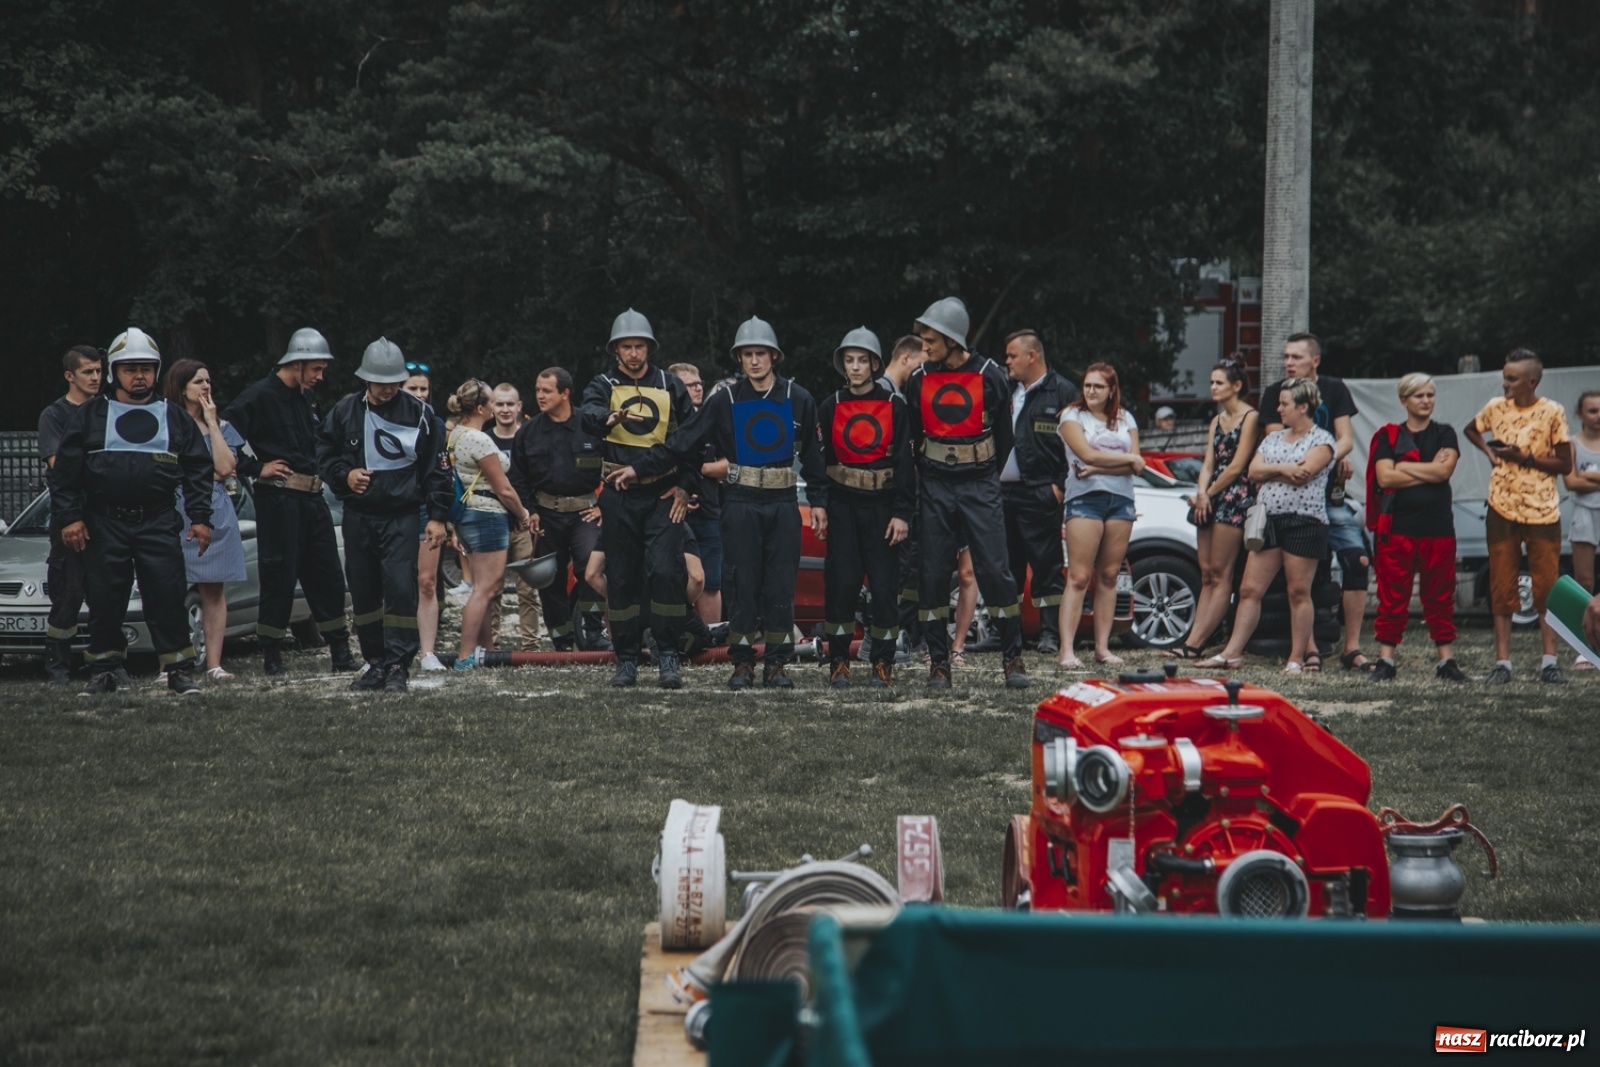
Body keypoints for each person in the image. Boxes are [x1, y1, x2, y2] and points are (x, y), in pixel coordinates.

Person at [612, 316, 828, 690]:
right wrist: (638, 469)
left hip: (782, 502)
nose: (755, 361)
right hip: (740, 502)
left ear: (774, 356)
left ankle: (776, 665)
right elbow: (684, 445)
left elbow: (814, 456)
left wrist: (820, 502)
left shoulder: (799, 398)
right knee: (741, 585)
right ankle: (742, 663)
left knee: (780, 586)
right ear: (739, 359)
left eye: (761, 354)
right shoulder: (725, 399)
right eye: (747, 355)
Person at [52, 328, 213, 695]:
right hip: (103, 521)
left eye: (145, 368)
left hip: (157, 520)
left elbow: (199, 470)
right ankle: (104, 670)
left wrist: (201, 518)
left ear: (157, 371)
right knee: (105, 597)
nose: (138, 376)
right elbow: (65, 475)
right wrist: (71, 517)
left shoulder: (174, 417)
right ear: (114, 372)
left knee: (167, 595)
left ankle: (177, 671)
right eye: (129, 369)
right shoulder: (91, 416)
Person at [904, 297, 1029, 689]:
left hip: (980, 484)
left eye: (930, 339)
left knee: (996, 571)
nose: (923, 346)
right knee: (933, 574)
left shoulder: (992, 375)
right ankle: (939, 664)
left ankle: (1013, 659)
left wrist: (983, 476)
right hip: (936, 484)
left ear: (953, 339)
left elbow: (1007, 440)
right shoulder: (919, 378)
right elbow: (914, 435)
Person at [317, 338, 451, 692]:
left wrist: (437, 516)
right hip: (358, 514)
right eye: (382, 382)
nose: (388, 389)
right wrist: (344, 476)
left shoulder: (420, 414)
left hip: (402, 515)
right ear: (366, 380)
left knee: (398, 589)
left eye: (394, 381)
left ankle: (398, 666)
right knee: (363, 590)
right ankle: (374, 662)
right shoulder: (344, 411)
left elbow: (437, 470)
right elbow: (324, 453)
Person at [224, 328, 357, 676]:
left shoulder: (305, 396)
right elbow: (223, 442)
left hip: (313, 499)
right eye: (315, 369)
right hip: (279, 499)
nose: (320, 376)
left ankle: (340, 652)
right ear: (296, 364)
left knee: (327, 574)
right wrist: (256, 468)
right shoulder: (257, 397)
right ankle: (272, 655)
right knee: (278, 574)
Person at [580, 308, 697, 689]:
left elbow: (691, 440)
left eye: (639, 346)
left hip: (662, 494)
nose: (633, 353)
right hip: (618, 494)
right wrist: (607, 419)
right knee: (622, 578)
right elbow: (589, 412)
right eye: (626, 347)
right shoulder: (602, 382)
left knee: (666, 572)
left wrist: (684, 486)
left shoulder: (669, 384)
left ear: (649, 348)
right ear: (616, 350)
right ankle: (626, 658)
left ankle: (668, 655)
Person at [1200, 379, 1336, 673]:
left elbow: (1306, 472)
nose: (1278, 409)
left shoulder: (1322, 440)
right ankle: (1232, 653)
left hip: (1305, 522)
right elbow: (1253, 471)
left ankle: (1296, 658)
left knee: (1298, 591)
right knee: (1249, 589)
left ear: (1302, 407)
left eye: (1284, 404)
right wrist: (1285, 468)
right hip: (1269, 520)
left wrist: (1272, 472)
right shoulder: (1272, 439)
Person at [1259, 333, 1371, 671]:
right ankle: (1308, 650)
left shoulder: (1334, 390)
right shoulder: (1275, 393)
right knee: (1304, 578)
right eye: (1286, 357)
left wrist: (1331, 457)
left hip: (1328, 495)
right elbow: (1273, 442)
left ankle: (1351, 648)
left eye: (1296, 357)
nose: (1288, 363)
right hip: (1289, 498)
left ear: (1315, 361)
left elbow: (1346, 439)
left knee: (1358, 558)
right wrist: (1323, 457)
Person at [1462, 349, 1574, 685]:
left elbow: (1565, 465)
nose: (1505, 383)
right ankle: (1502, 664)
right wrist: (1490, 454)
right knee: (1501, 584)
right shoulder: (1496, 408)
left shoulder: (1552, 411)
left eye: (1511, 378)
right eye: (1505, 376)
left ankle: (1550, 662)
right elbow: (1471, 429)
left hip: (1542, 510)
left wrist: (1524, 458)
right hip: (1501, 507)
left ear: (1532, 381)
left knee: (1545, 587)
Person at [817, 327, 914, 686]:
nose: (855, 367)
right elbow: (821, 461)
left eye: (862, 360)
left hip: (884, 507)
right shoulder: (830, 405)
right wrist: (821, 506)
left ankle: (882, 663)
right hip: (843, 506)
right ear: (842, 364)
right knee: (841, 587)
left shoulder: (894, 405)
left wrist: (903, 512)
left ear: (874, 363)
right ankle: (839, 662)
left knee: (885, 589)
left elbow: (905, 462)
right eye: (849, 360)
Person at [1368, 373, 1465, 682]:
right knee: (1392, 596)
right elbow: (1385, 478)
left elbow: (1444, 471)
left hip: (1438, 527)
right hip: (1397, 527)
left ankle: (1446, 662)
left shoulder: (1445, 433)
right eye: (1419, 395)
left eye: (1430, 395)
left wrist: (1404, 468)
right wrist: (1429, 469)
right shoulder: (1389, 436)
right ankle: (1386, 661)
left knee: (1439, 596)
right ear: (1404, 400)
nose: (1426, 400)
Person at [508, 367, 608, 652]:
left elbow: (613, 468)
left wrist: (604, 506)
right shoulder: (528, 432)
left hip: (585, 513)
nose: (539, 396)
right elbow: (518, 476)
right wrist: (529, 510)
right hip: (545, 515)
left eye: (547, 391)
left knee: (591, 567)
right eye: (538, 390)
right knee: (549, 579)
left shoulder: (590, 425)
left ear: (565, 393)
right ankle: (562, 639)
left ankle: (591, 631)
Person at [1169, 358, 1259, 659]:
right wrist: (1201, 492)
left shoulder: (1250, 418)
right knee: (1206, 573)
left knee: (1221, 573)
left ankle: (1195, 644)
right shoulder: (1215, 420)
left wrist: (1208, 493)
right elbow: (1208, 462)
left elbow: (1236, 466)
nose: (1213, 388)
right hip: (1210, 495)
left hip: (1233, 496)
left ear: (1236, 386)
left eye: (1219, 382)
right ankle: (1192, 640)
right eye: (1211, 382)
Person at [1056, 362, 1144, 670]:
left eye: (1098, 386)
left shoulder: (1125, 418)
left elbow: (1138, 465)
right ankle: (1067, 649)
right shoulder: (1072, 416)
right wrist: (1124, 460)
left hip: (1121, 502)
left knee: (1109, 576)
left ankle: (1102, 648)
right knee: (1080, 576)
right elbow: (1086, 455)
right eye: (1087, 385)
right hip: (1084, 500)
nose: (1090, 391)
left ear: (1112, 390)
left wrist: (1099, 467)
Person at [166, 360, 248, 681]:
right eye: (198, 381)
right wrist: (204, 471)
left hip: (214, 509)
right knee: (169, 588)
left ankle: (214, 664)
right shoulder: (166, 423)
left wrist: (212, 423)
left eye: (208, 381)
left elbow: (226, 467)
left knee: (213, 590)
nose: (206, 387)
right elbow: (173, 469)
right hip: (173, 507)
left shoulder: (222, 426)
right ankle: (169, 665)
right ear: (180, 386)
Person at [999, 329, 1080, 656]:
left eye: (1012, 355)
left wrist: (1059, 486)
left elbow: (1076, 444)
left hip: (1041, 492)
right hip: (1004, 493)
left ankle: (1049, 633)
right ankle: (1009, 632)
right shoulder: (1005, 390)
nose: (1007, 362)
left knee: (1046, 566)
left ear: (1032, 356)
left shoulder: (1062, 391)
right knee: (1006, 568)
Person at [444, 379, 534, 670]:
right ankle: (465, 656)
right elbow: (504, 488)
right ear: (481, 408)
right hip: (487, 515)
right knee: (486, 587)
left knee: (484, 588)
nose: (498, 407)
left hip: (467, 514)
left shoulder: (456, 434)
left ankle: (486, 649)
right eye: (493, 402)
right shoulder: (479, 439)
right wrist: (522, 514)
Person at [37, 345, 102, 686]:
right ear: (70, 375)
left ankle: (106, 665)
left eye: (98, 371)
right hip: (70, 515)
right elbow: (58, 467)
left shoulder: (106, 411)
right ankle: (58, 668)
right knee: (68, 594)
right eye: (88, 371)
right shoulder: (54, 415)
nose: (95, 377)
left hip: (105, 516)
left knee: (106, 594)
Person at [877, 335, 931, 657]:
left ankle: (898, 636)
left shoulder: (897, 394)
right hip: (888, 500)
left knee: (905, 572)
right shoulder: (883, 395)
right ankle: (886, 638)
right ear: (907, 359)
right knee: (891, 573)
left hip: (903, 500)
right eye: (922, 365)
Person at [480, 383, 543, 651]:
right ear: (491, 407)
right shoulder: (481, 438)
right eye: (500, 404)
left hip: (525, 522)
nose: (505, 409)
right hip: (491, 521)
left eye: (510, 404)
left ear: (519, 407)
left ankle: (531, 644)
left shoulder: (530, 436)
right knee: (491, 587)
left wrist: (531, 513)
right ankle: (491, 643)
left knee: (528, 588)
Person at [401, 364, 450, 671]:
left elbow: (441, 473)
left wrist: (439, 515)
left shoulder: (435, 422)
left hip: (423, 510)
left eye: (423, 389)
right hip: (391, 509)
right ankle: (390, 651)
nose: (419, 394)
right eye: (412, 388)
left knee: (427, 582)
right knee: (393, 582)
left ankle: (428, 653)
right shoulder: (381, 418)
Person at [669, 361, 726, 624]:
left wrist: (695, 469)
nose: (697, 389)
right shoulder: (665, 423)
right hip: (670, 512)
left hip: (708, 512)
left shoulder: (714, 420)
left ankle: (712, 638)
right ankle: (674, 636)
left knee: (711, 582)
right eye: (689, 385)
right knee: (670, 578)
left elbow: (729, 465)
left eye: (699, 384)